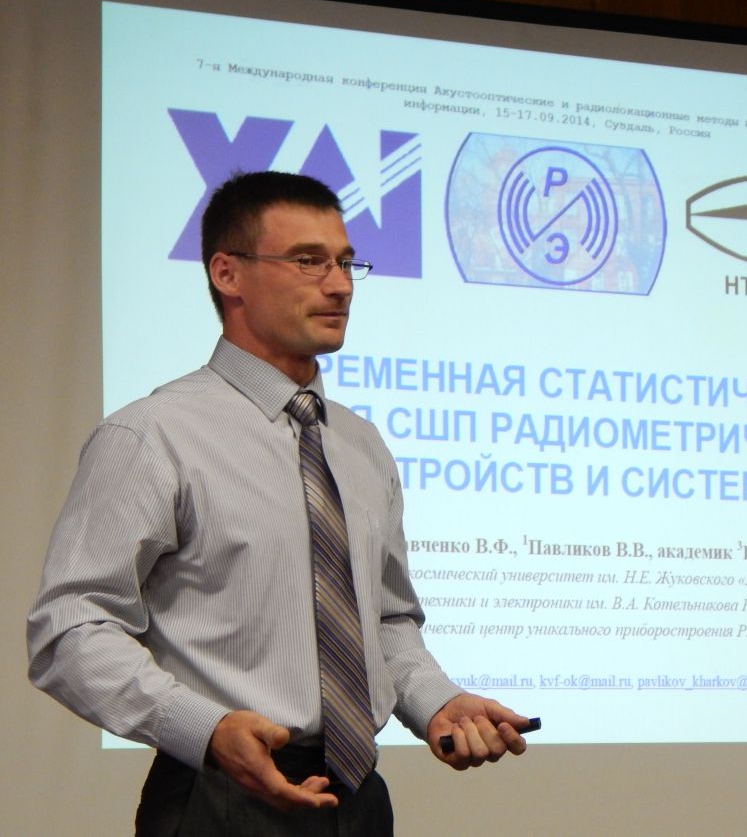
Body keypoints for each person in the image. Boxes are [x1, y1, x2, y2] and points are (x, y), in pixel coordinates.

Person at [27, 171, 530, 835]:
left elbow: (383, 619)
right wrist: (206, 728)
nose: (340, 285)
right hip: (218, 797)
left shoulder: (360, 444)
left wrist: (438, 702)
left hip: (359, 797)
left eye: (346, 263)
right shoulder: (153, 435)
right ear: (228, 274)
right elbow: (70, 628)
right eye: (308, 261)